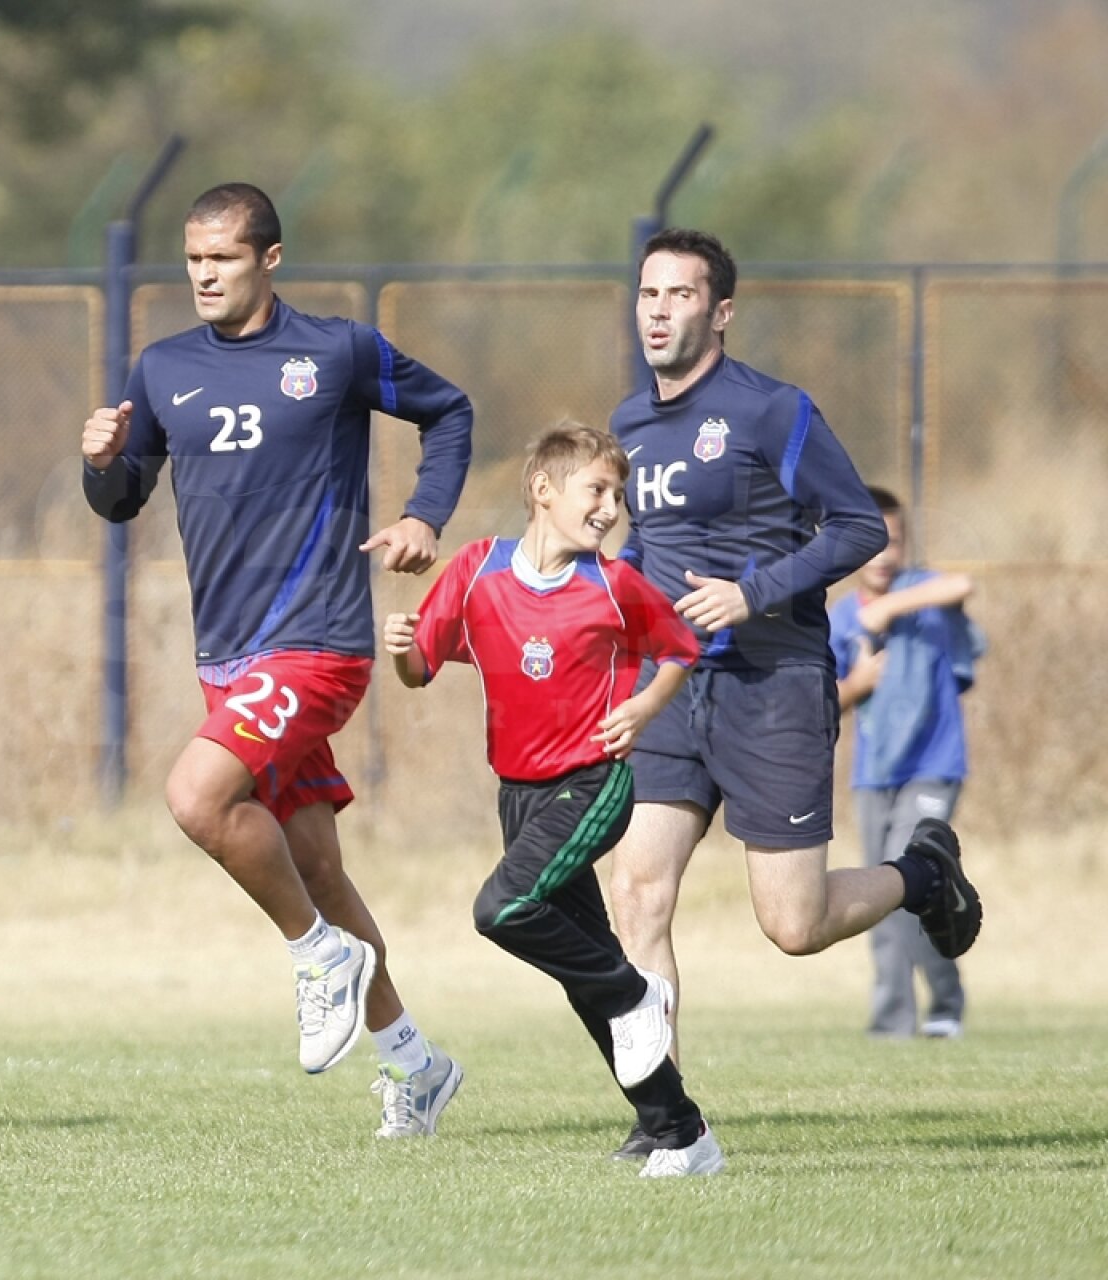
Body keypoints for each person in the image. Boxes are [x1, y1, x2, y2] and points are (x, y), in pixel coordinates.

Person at [81, 182, 472, 1138]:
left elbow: (450, 412)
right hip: (228, 656)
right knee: (319, 868)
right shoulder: (163, 367)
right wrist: (101, 461)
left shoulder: (334, 351)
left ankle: (316, 955)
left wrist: (424, 516)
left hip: (318, 642)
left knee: (197, 798)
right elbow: (124, 499)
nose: (204, 275)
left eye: (223, 257)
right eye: (193, 260)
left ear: (270, 258)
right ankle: (416, 1066)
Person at [606, 228, 982, 1159]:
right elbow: (640, 555)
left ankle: (922, 875)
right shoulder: (629, 424)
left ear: (721, 313)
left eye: (680, 295)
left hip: (774, 683)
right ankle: (667, 1120)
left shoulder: (771, 411)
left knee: (793, 923)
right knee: (637, 889)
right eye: (648, 293)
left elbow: (857, 527)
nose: (658, 310)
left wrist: (754, 590)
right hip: (677, 687)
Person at [384, 424, 725, 1178]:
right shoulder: (477, 571)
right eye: (596, 491)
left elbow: (679, 650)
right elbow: (419, 672)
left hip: (592, 784)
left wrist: (641, 710)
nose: (610, 508)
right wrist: (403, 646)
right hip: (519, 797)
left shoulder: (613, 584)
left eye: (618, 496)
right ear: (543, 490)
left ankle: (638, 997)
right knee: (582, 971)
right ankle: (682, 1132)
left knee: (500, 909)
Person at [830, 485, 982, 1039]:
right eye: (873, 543)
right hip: (873, 775)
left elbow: (962, 584)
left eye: (894, 542)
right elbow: (827, 699)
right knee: (879, 895)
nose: (885, 555)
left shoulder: (924, 592)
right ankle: (892, 1022)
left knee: (913, 872)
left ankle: (945, 1006)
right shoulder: (841, 618)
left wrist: (891, 607)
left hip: (933, 764)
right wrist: (859, 682)